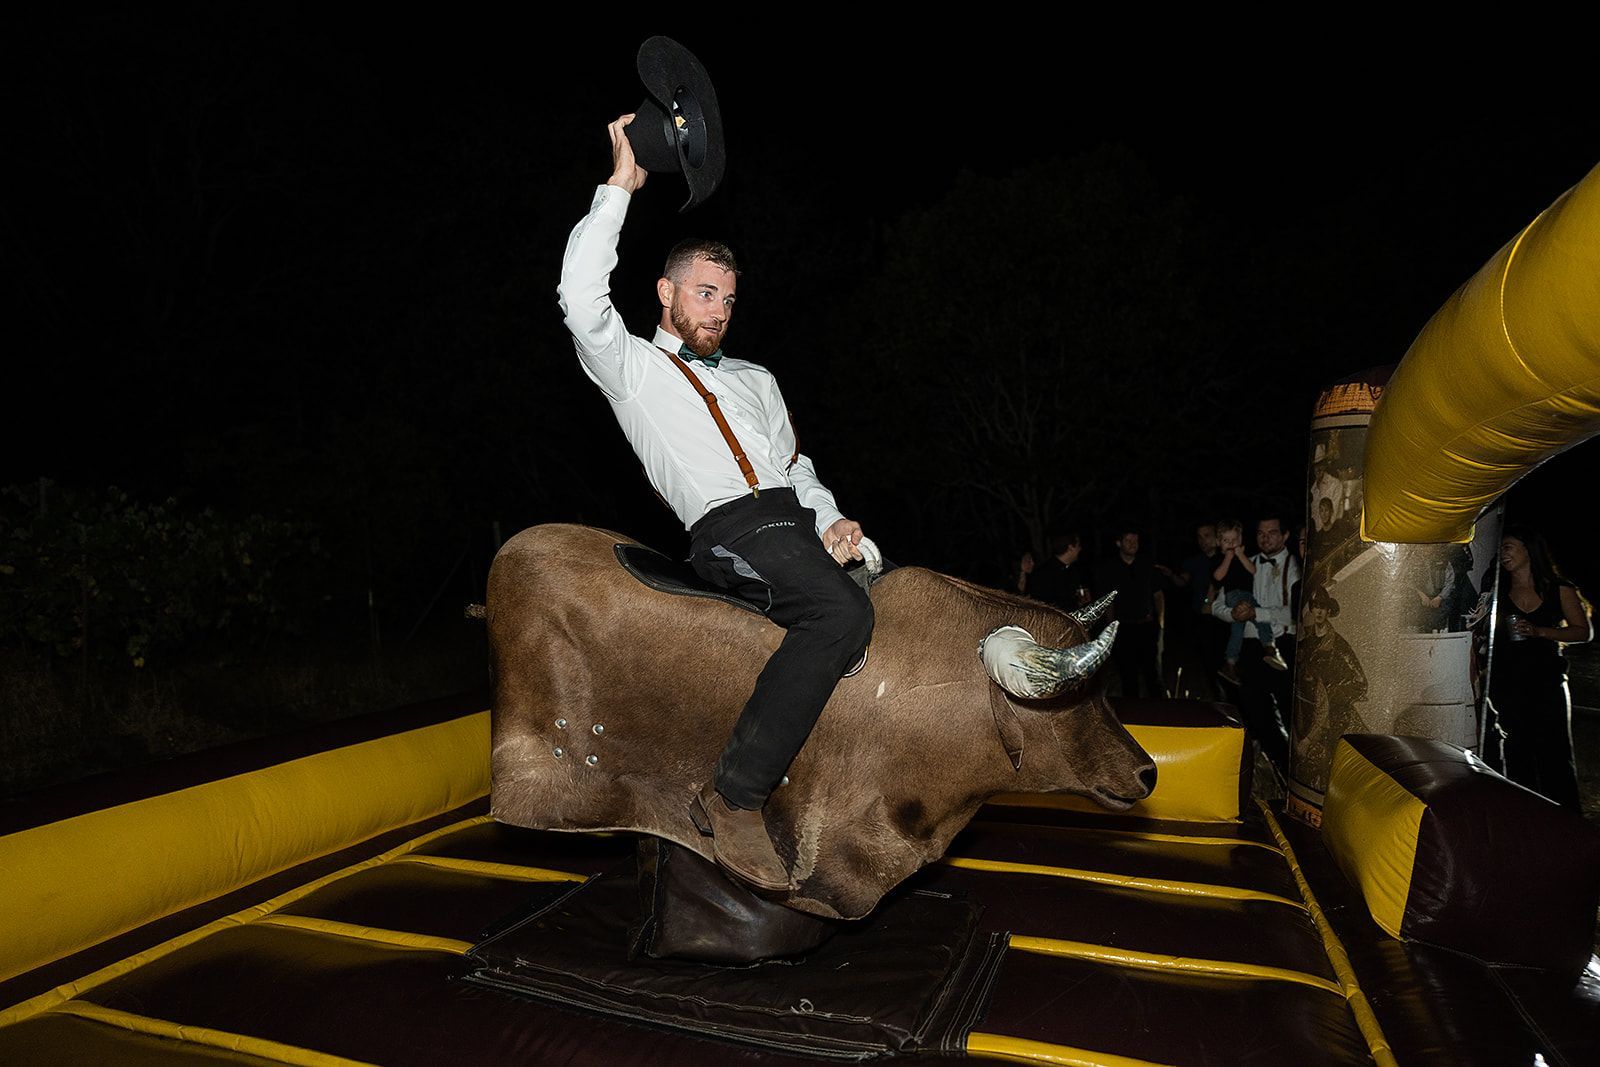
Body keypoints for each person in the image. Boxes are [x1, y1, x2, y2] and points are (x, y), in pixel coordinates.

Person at [557, 115, 874, 890]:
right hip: (729, 529)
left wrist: (830, 518)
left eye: (728, 298)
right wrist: (620, 189)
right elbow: (577, 296)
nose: (719, 310)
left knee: (882, 590)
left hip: (793, 520)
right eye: (704, 293)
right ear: (665, 294)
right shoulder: (630, 366)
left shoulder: (757, 379)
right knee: (841, 615)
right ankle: (732, 798)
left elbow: (795, 464)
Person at [1488, 526, 1593, 812]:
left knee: (1556, 757)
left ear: (1527, 549)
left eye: (1508, 546)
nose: (1502, 553)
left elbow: (1583, 632)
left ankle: (1567, 826)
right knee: (1516, 755)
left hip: (1547, 683)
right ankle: (1527, 824)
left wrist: (1540, 632)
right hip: (1508, 684)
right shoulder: (1498, 590)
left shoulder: (1558, 588)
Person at [1212, 515, 1299, 776]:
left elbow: (1294, 614)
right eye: (1261, 533)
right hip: (1249, 648)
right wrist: (1233, 614)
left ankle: (1298, 772)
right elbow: (1216, 605)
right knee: (1258, 715)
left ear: (1284, 536)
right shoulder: (1243, 561)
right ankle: (1280, 768)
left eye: (1272, 532)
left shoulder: (1296, 565)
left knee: (1290, 713)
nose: (1265, 537)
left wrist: (1256, 614)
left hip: (1283, 645)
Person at [1212, 519, 1288, 684]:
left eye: (1235, 540)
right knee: (1256, 618)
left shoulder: (1246, 558)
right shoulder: (1221, 559)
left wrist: (1240, 555)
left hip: (1248, 597)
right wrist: (1228, 558)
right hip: (1235, 596)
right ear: (1219, 543)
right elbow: (1217, 579)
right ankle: (1269, 645)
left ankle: (1230, 663)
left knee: (1238, 630)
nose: (1231, 544)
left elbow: (1252, 570)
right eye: (1226, 541)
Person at [1094, 524, 1164, 699]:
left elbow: (1158, 594)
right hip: (1123, 628)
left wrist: (1160, 621)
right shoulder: (1109, 568)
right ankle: (1132, 715)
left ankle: (1161, 711)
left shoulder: (1147, 564)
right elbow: (1108, 600)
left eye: (1136, 540)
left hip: (1147, 626)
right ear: (1119, 543)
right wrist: (1110, 628)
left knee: (1151, 672)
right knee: (1128, 674)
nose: (1133, 544)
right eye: (1128, 540)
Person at [1019, 532, 1090, 610]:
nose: (1080, 549)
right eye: (1078, 546)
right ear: (1070, 547)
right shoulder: (1044, 574)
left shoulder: (1074, 570)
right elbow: (1044, 604)